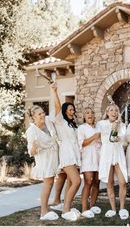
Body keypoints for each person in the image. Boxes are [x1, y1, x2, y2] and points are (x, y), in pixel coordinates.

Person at [51, 82, 81, 221]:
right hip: (67, 154)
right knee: (76, 182)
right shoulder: (61, 122)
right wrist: (55, 91)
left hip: (75, 155)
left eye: (73, 109)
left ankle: (64, 205)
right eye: (69, 109)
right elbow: (57, 106)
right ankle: (66, 209)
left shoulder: (73, 124)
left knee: (70, 181)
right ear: (64, 111)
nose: (72, 111)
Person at [26, 105, 59, 221]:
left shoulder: (48, 121)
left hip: (54, 155)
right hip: (44, 159)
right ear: (33, 117)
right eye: (39, 114)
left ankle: (48, 207)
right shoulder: (31, 131)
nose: (43, 115)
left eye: (43, 112)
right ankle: (43, 212)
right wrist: (34, 147)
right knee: (48, 183)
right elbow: (31, 152)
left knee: (50, 183)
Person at [96, 104, 129, 220]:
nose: (114, 112)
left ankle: (122, 208)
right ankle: (113, 209)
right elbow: (106, 139)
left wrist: (120, 138)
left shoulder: (123, 125)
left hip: (118, 154)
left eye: (116, 110)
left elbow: (125, 142)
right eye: (111, 110)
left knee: (122, 182)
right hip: (107, 154)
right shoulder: (101, 124)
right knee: (109, 183)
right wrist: (113, 128)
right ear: (107, 112)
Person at [77, 107, 101, 218]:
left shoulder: (98, 127)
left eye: (92, 112)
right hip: (88, 158)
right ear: (84, 117)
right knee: (88, 182)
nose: (90, 114)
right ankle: (84, 208)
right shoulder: (81, 128)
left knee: (97, 183)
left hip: (98, 158)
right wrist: (94, 137)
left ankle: (92, 206)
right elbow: (82, 143)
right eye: (87, 113)